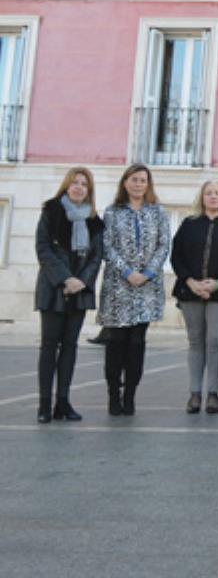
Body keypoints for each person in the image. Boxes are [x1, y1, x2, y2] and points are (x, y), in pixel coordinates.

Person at [170, 180, 218, 414]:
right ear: (202, 198)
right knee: (195, 341)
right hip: (190, 291)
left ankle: (213, 393)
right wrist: (190, 281)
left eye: (217, 193)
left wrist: (217, 282)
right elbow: (177, 256)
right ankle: (195, 393)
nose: (213, 197)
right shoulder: (189, 224)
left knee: (215, 341)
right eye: (208, 193)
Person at [34, 167, 104, 423]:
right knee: (49, 346)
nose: (78, 187)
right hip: (54, 289)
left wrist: (81, 281)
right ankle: (44, 404)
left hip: (79, 292)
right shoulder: (51, 212)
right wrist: (66, 278)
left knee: (70, 347)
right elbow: (43, 249)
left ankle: (63, 402)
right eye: (74, 183)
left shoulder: (95, 221)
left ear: (89, 190)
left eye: (84, 184)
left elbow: (97, 257)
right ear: (66, 186)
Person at [99, 164, 170, 417]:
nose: (138, 184)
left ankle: (130, 395)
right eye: (134, 179)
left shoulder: (158, 212)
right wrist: (128, 272)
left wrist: (147, 273)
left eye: (143, 180)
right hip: (118, 287)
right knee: (116, 341)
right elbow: (107, 246)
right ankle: (113, 395)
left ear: (148, 185)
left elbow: (164, 245)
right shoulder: (112, 212)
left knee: (137, 343)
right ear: (125, 182)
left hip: (147, 290)